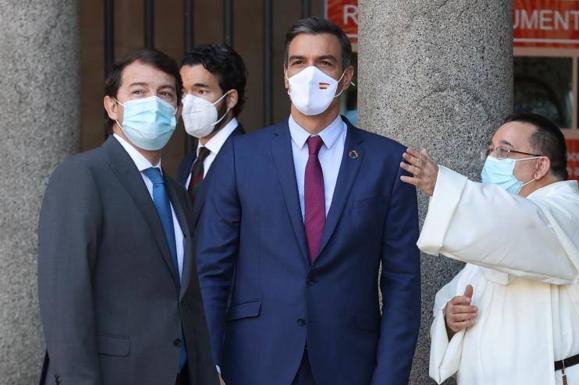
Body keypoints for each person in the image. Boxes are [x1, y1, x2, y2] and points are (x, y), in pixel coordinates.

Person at [195, 17, 421, 385]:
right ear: (285, 76)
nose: (309, 72)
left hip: (350, 364)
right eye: (298, 62)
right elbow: (211, 271)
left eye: (325, 63)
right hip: (255, 362)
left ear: (346, 78)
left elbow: (402, 285)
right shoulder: (240, 157)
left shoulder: (387, 162)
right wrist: (210, 365)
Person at [37, 49, 219, 385]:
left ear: (177, 111)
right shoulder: (82, 176)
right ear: (112, 107)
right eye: (138, 91)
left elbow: (188, 303)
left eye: (165, 94)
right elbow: (65, 301)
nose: (154, 102)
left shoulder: (176, 193)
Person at [400, 113, 579, 385]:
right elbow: (459, 293)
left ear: (540, 166)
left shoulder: (573, 214)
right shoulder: (501, 230)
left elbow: (527, 226)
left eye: (504, 151)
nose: (492, 160)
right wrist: (450, 320)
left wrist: (444, 188)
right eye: (491, 151)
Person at [178, 44, 247, 222]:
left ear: (231, 99)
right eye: (183, 92)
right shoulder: (188, 163)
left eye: (201, 91)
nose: (189, 102)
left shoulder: (251, 159)